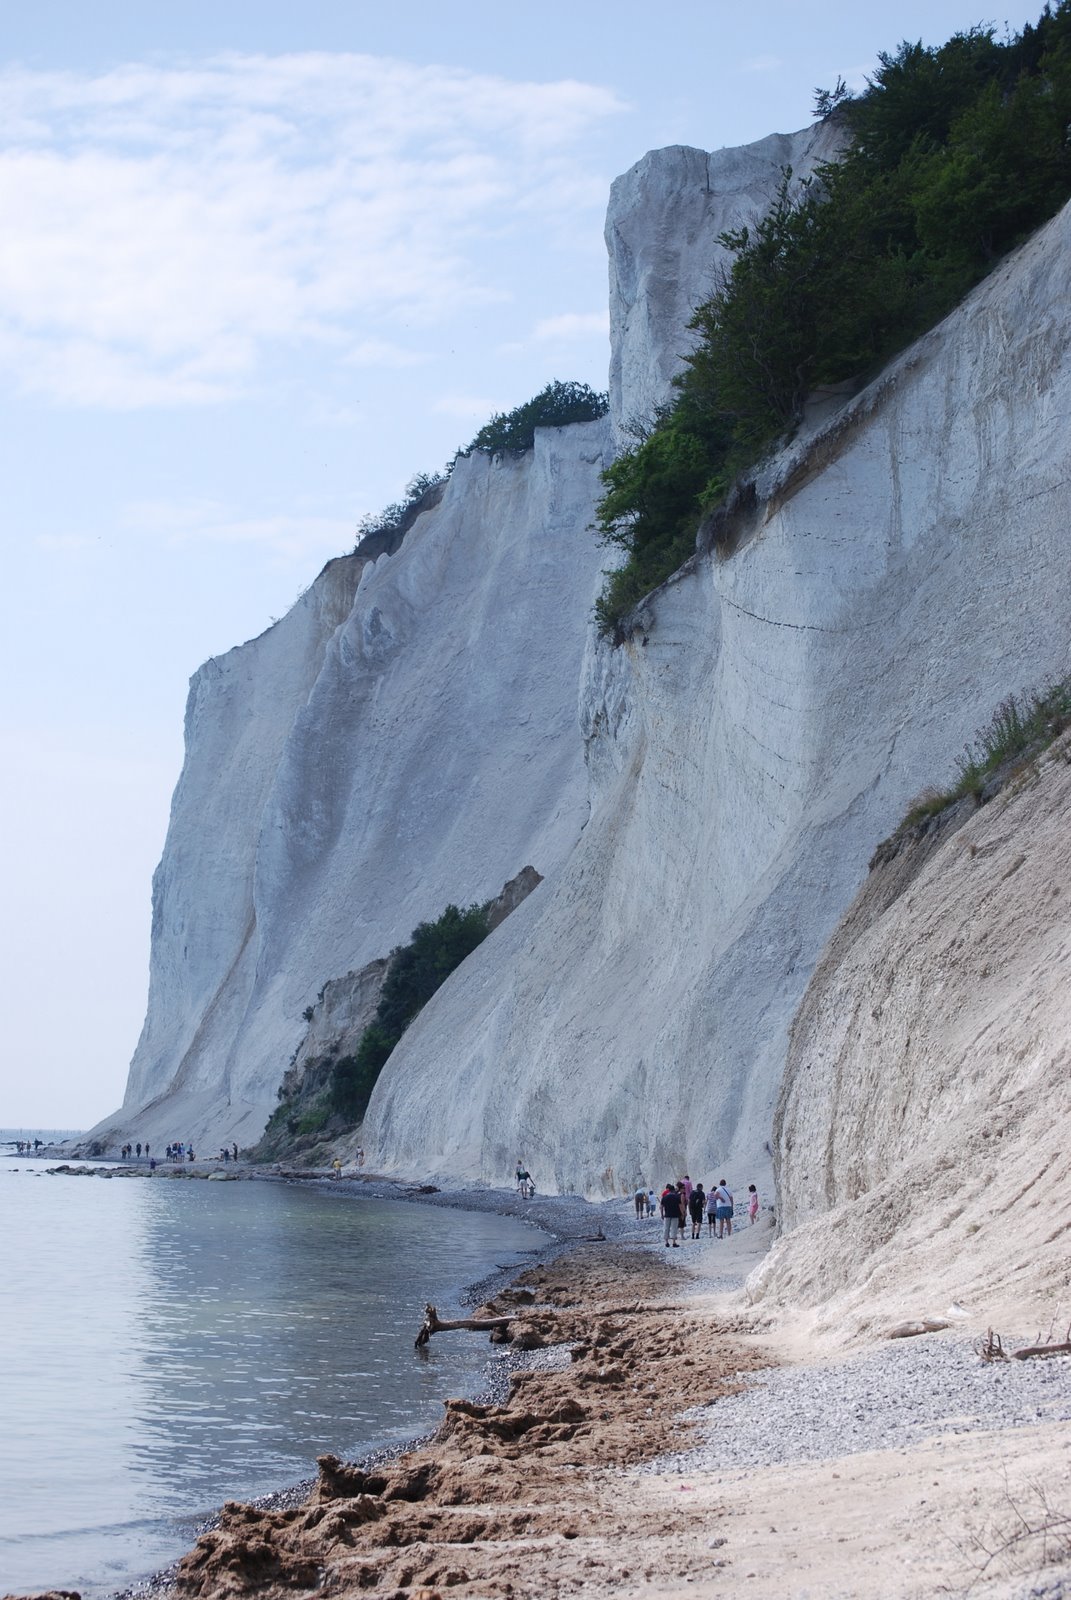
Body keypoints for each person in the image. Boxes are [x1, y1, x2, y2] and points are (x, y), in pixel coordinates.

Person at [660, 1181, 682, 1247]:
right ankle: (674, 1242)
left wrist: (662, 1214)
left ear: (668, 1190)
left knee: (666, 1228)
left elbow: (661, 1207)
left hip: (667, 1214)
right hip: (675, 1214)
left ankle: (666, 1242)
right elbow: (680, 1206)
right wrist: (682, 1213)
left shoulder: (665, 1197)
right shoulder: (677, 1197)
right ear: (673, 1190)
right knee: (674, 1228)